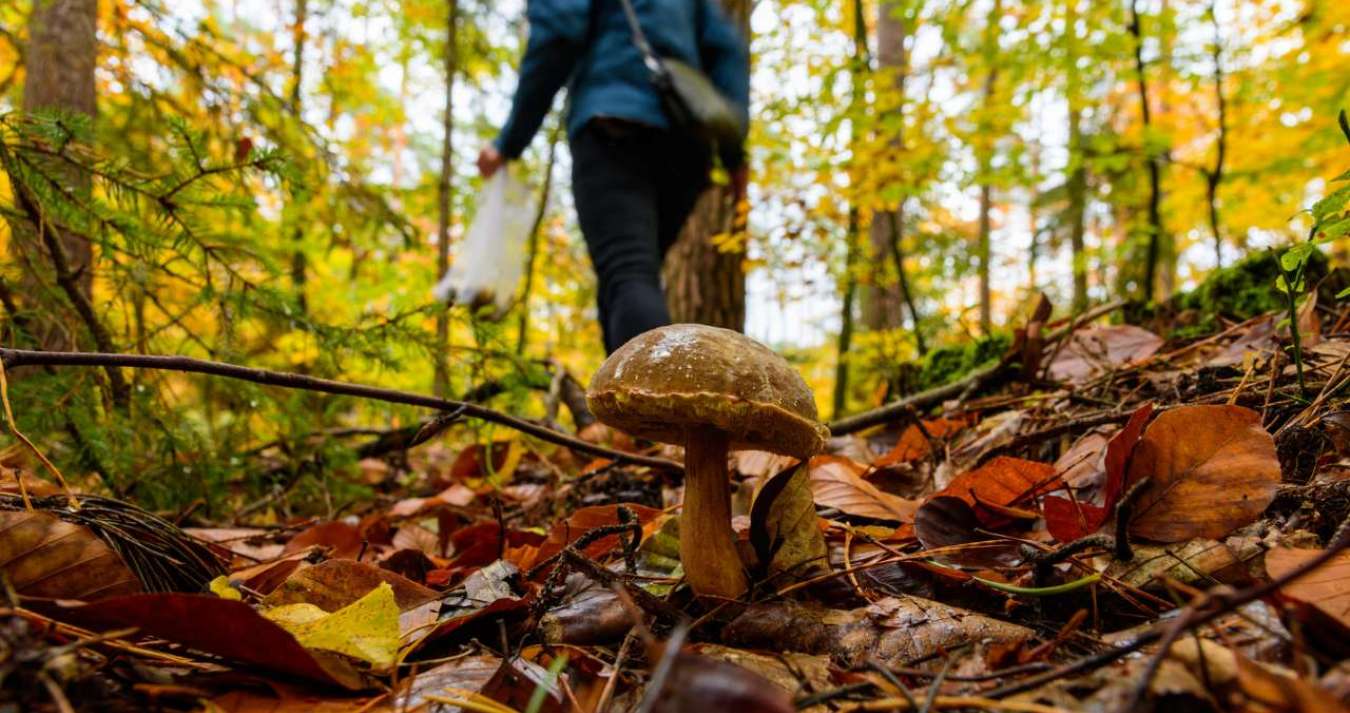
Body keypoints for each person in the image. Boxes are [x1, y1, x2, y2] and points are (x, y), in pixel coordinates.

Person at [477, 0, 750, 354]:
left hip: (614, 126)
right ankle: (619, 403)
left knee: (628, 274)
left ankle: (651, 406)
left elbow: (559, 32)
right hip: (687, 142)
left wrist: (509, 143)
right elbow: (726, 50)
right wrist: (733, 154)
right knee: (630, 280)